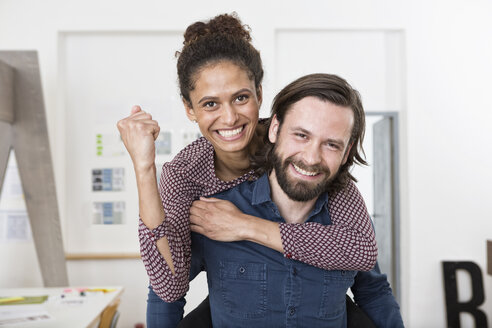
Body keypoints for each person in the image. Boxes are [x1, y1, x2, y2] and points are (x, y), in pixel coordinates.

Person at [116, 13, 377, 325]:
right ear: (189, 109)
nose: (229, 119)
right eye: (210, 104)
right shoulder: (185, 173)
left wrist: (243, 226)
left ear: (260, 95)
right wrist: (144, 166)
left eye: (240, 98)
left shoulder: (299, 151)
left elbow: (361, 250)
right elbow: (168, 286)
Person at [173, 73, 404, 327]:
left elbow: (373, 292)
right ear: (274, 128)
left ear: (346, 152)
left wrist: (246, 227)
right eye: (301, 135)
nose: (311, 158)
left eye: (331, 145)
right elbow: (168, 293)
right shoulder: (215, 213)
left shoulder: (348, 223)